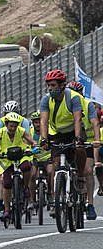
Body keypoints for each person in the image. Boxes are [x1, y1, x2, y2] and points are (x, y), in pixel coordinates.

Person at [39, 69, 87, 217]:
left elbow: (78, 119)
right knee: (55, 164)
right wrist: (44, 139)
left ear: (62, 85)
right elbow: (44, 121)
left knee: (79, 149)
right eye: (48, 86)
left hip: (74, 131)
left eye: (53, 85)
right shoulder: (46, 100)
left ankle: (79, 176)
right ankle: (56, 200)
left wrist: (78, 138)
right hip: (57, 134)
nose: (50, 88)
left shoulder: (73, 98)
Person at [0, 111, 36, 224]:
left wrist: (34, 147)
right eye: (11, 125)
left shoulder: (21, 131)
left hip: (21, 155)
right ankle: (6, 209)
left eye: (15, 126)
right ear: (6, 125)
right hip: (5, 158)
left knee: (26, 166)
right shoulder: (0, 133)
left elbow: (31, 141)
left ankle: (25, 187)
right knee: (6, 183)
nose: (13, 128)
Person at [66, 81, 100, 218]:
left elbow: (95, 122)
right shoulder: (65, 104)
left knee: (87, 170)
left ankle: (90, 204)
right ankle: (60, 195)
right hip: (69, 140)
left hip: (87, 142)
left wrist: (97, 139)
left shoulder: (88, 104)